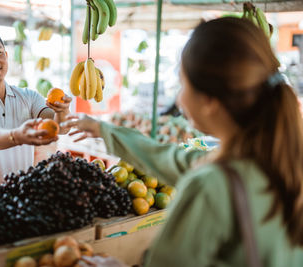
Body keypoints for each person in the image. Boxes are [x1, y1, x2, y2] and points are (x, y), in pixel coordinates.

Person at [61, 17, 303, 266]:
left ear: (209, 101)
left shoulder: (210, 185)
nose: (178, 98)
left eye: (182, 83)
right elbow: (172, 159)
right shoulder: (282, 163)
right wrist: (103, 130)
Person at [0, 26, 72, 195]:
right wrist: (16, 136)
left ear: (6, 56)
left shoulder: (29, 97)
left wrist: (62, 111)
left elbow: (60, 127)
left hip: (22, 201)